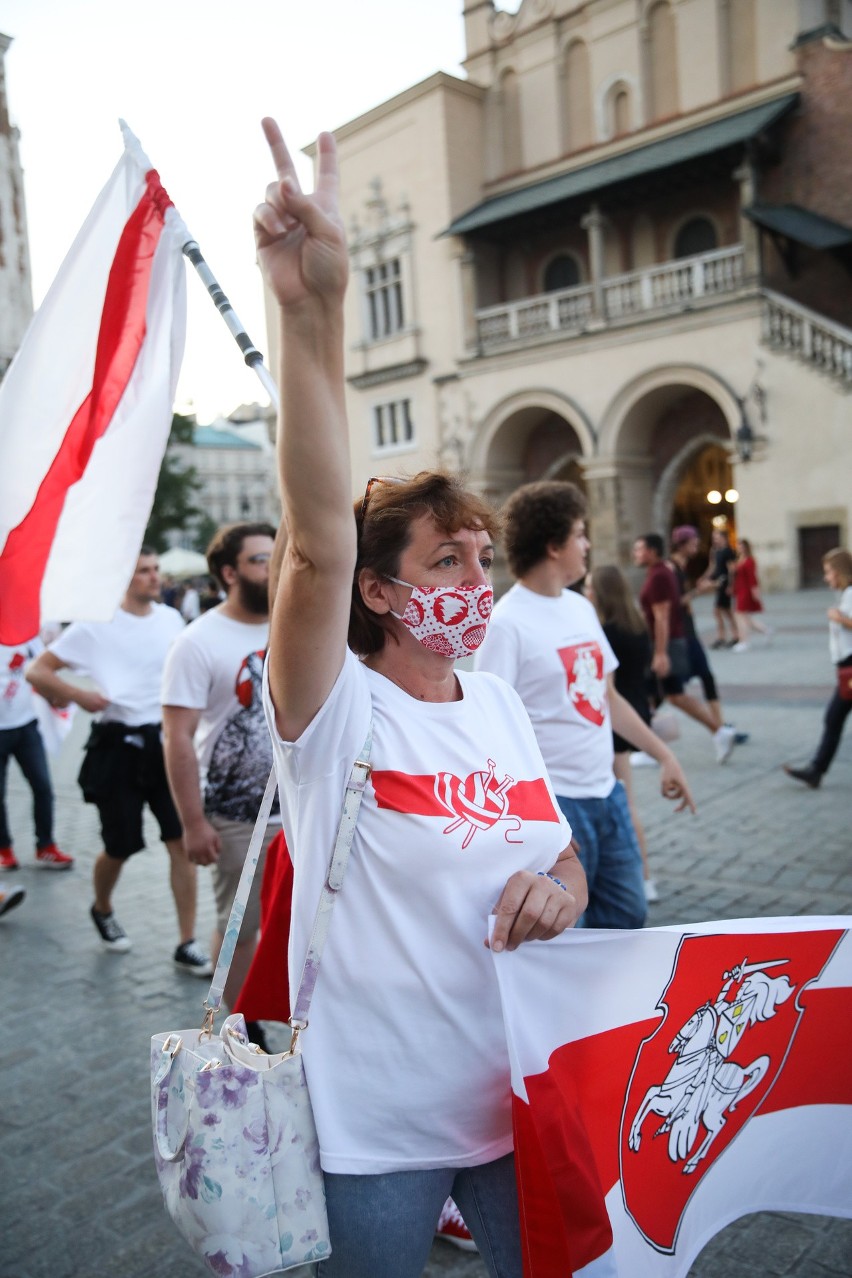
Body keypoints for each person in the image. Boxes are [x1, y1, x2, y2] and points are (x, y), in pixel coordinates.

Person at [254, 117, 587, 1278]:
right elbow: (310, 546)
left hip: (515, 1097)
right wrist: (314, 315)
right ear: (384, 592)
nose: (476, 581)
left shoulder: (495, 705)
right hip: (376, 1128)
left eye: (482, 557)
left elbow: (562, 857)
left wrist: (558, 893)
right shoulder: (335, 709)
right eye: (448, 561)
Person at [475, 483, 694, 930]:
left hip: (608, 796)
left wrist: (664, 755)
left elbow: (606, 699)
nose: (587, 544)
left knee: (629, 919)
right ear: (553, 546)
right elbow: (490, 726)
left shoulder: (580, 608)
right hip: (556, 809)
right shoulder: (506, 623)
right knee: (560, 937)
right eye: (579, 534)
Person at [26, 549, 208, 971]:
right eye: (144, 571)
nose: (153, 577)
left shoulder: (170, 619)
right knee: (119, 846)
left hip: (164, 745)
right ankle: (102, 907)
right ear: (123, 579)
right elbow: (38, 671)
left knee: (181, 841)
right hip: (116, 746)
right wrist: (79, 695)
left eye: (155, 570)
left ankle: (186, 941)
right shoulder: (94, 627)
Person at [162, 521, 279, 1038]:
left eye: (277, 557)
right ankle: (236, 1024)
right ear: (229, 572)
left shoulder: (298, 623)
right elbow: (179, 738)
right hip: (236, 818)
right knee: (240, 927)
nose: (272, 569)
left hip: (302, 808)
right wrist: (192, 822)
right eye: (259, 560)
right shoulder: (197, 642)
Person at [585, 564, 658, 901]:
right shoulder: (637, 624)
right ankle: (640, 875)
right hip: (635, 709)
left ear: (601, 592)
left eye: (589, 587)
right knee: (625, 798)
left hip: (613, 722)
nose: (586, 593)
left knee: (624, 802)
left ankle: (642, 876)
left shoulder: (606, 631)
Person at [633, 534, 737, 763]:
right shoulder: (661, 572)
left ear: (652, 551)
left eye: (639, 549)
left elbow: (662, 616)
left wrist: (660, 653)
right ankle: (718, 732)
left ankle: (717, 732)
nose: (635, 554)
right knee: (665, 695)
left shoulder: (660, 575)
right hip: (669, 641)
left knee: (669, 695)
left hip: (667, 643)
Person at [0, 636, 74, 871]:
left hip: (26, 726)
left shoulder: (26, 636)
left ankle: (46, 846)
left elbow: (43, 671)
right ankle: (4, 849)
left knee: (42, 787)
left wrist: (56, 695)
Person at [669, 526, 748, 742]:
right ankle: (720, 729)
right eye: (693, 542)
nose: (697, 546)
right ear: (683, 544)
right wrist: (699, 592)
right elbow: (674, 603)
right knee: (670, 691)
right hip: (680, 634)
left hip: (686, 631)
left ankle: (720, 728)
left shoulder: (680, 567)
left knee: (704, 678)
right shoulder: (671, 569)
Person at [784, 547, 852, 789]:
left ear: (841, 572)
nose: (826, 578)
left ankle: (816, 770)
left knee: (833, 718)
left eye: (829, 572)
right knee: (833, 719)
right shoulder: (845, 595)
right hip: (845, 668)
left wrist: (839, 618)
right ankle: (816, 770)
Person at [732, 537, 771, 651]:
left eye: (741, 545)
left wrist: (755, 591)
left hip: (746, 590)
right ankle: (766, 630)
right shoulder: (739, 559)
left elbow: (752, 577)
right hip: (739, 589)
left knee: (739, 615)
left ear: (746, 547)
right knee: (745, 617)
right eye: (738, 545)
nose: (739, 548)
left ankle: (744, 641)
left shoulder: (750, 560)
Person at [701, 527, 738, 648]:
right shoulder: (715, 551)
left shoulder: (728, 551)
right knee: (724, 612)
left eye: (717, 537)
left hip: (724, 582)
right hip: (718, 582)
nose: (715, 540)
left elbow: (731, 569)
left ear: (724, 538)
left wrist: (731, 585)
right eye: (714, 537)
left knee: (721, 611)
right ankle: (728, 636)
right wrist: (704, 577)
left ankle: (730, 636)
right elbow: (712, 566)